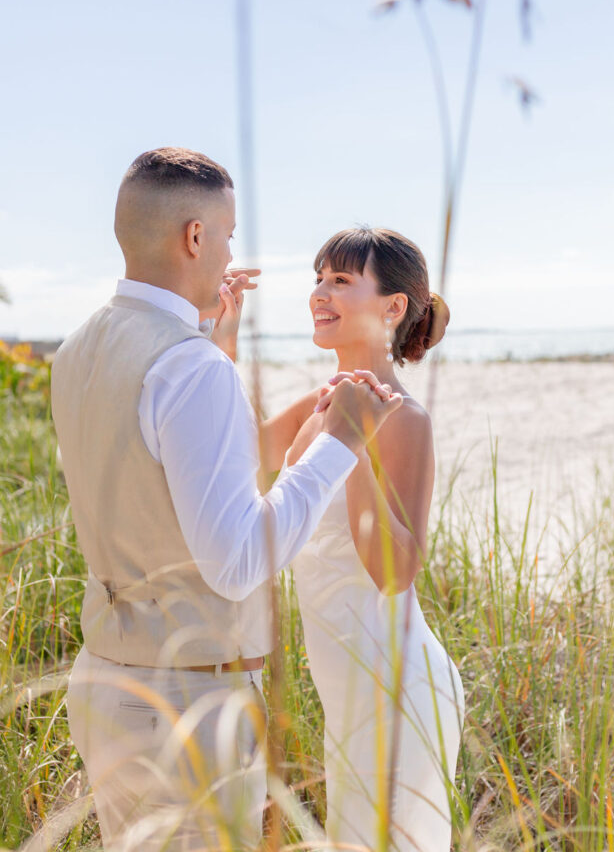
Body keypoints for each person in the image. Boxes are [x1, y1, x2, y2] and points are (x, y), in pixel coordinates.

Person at [51, 149, 402, 852]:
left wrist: (220, 344)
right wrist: (340, 443)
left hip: (103, 683)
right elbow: (237, 563)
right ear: (194, 238)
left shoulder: (77, 348)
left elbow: (156, 486)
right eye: (230, 234)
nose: (231, 252)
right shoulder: (188, 365)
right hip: (185, 703)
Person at [260, 227, 465, 852]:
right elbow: (227, 469)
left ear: (393, 306)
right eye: (318, 278)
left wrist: (355, 450)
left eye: (341, 280)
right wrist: (219, 332)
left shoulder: (404, 418)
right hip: (346, 692)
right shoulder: (315, 404)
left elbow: (394, 572)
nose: (320, 293)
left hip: (398, 691)